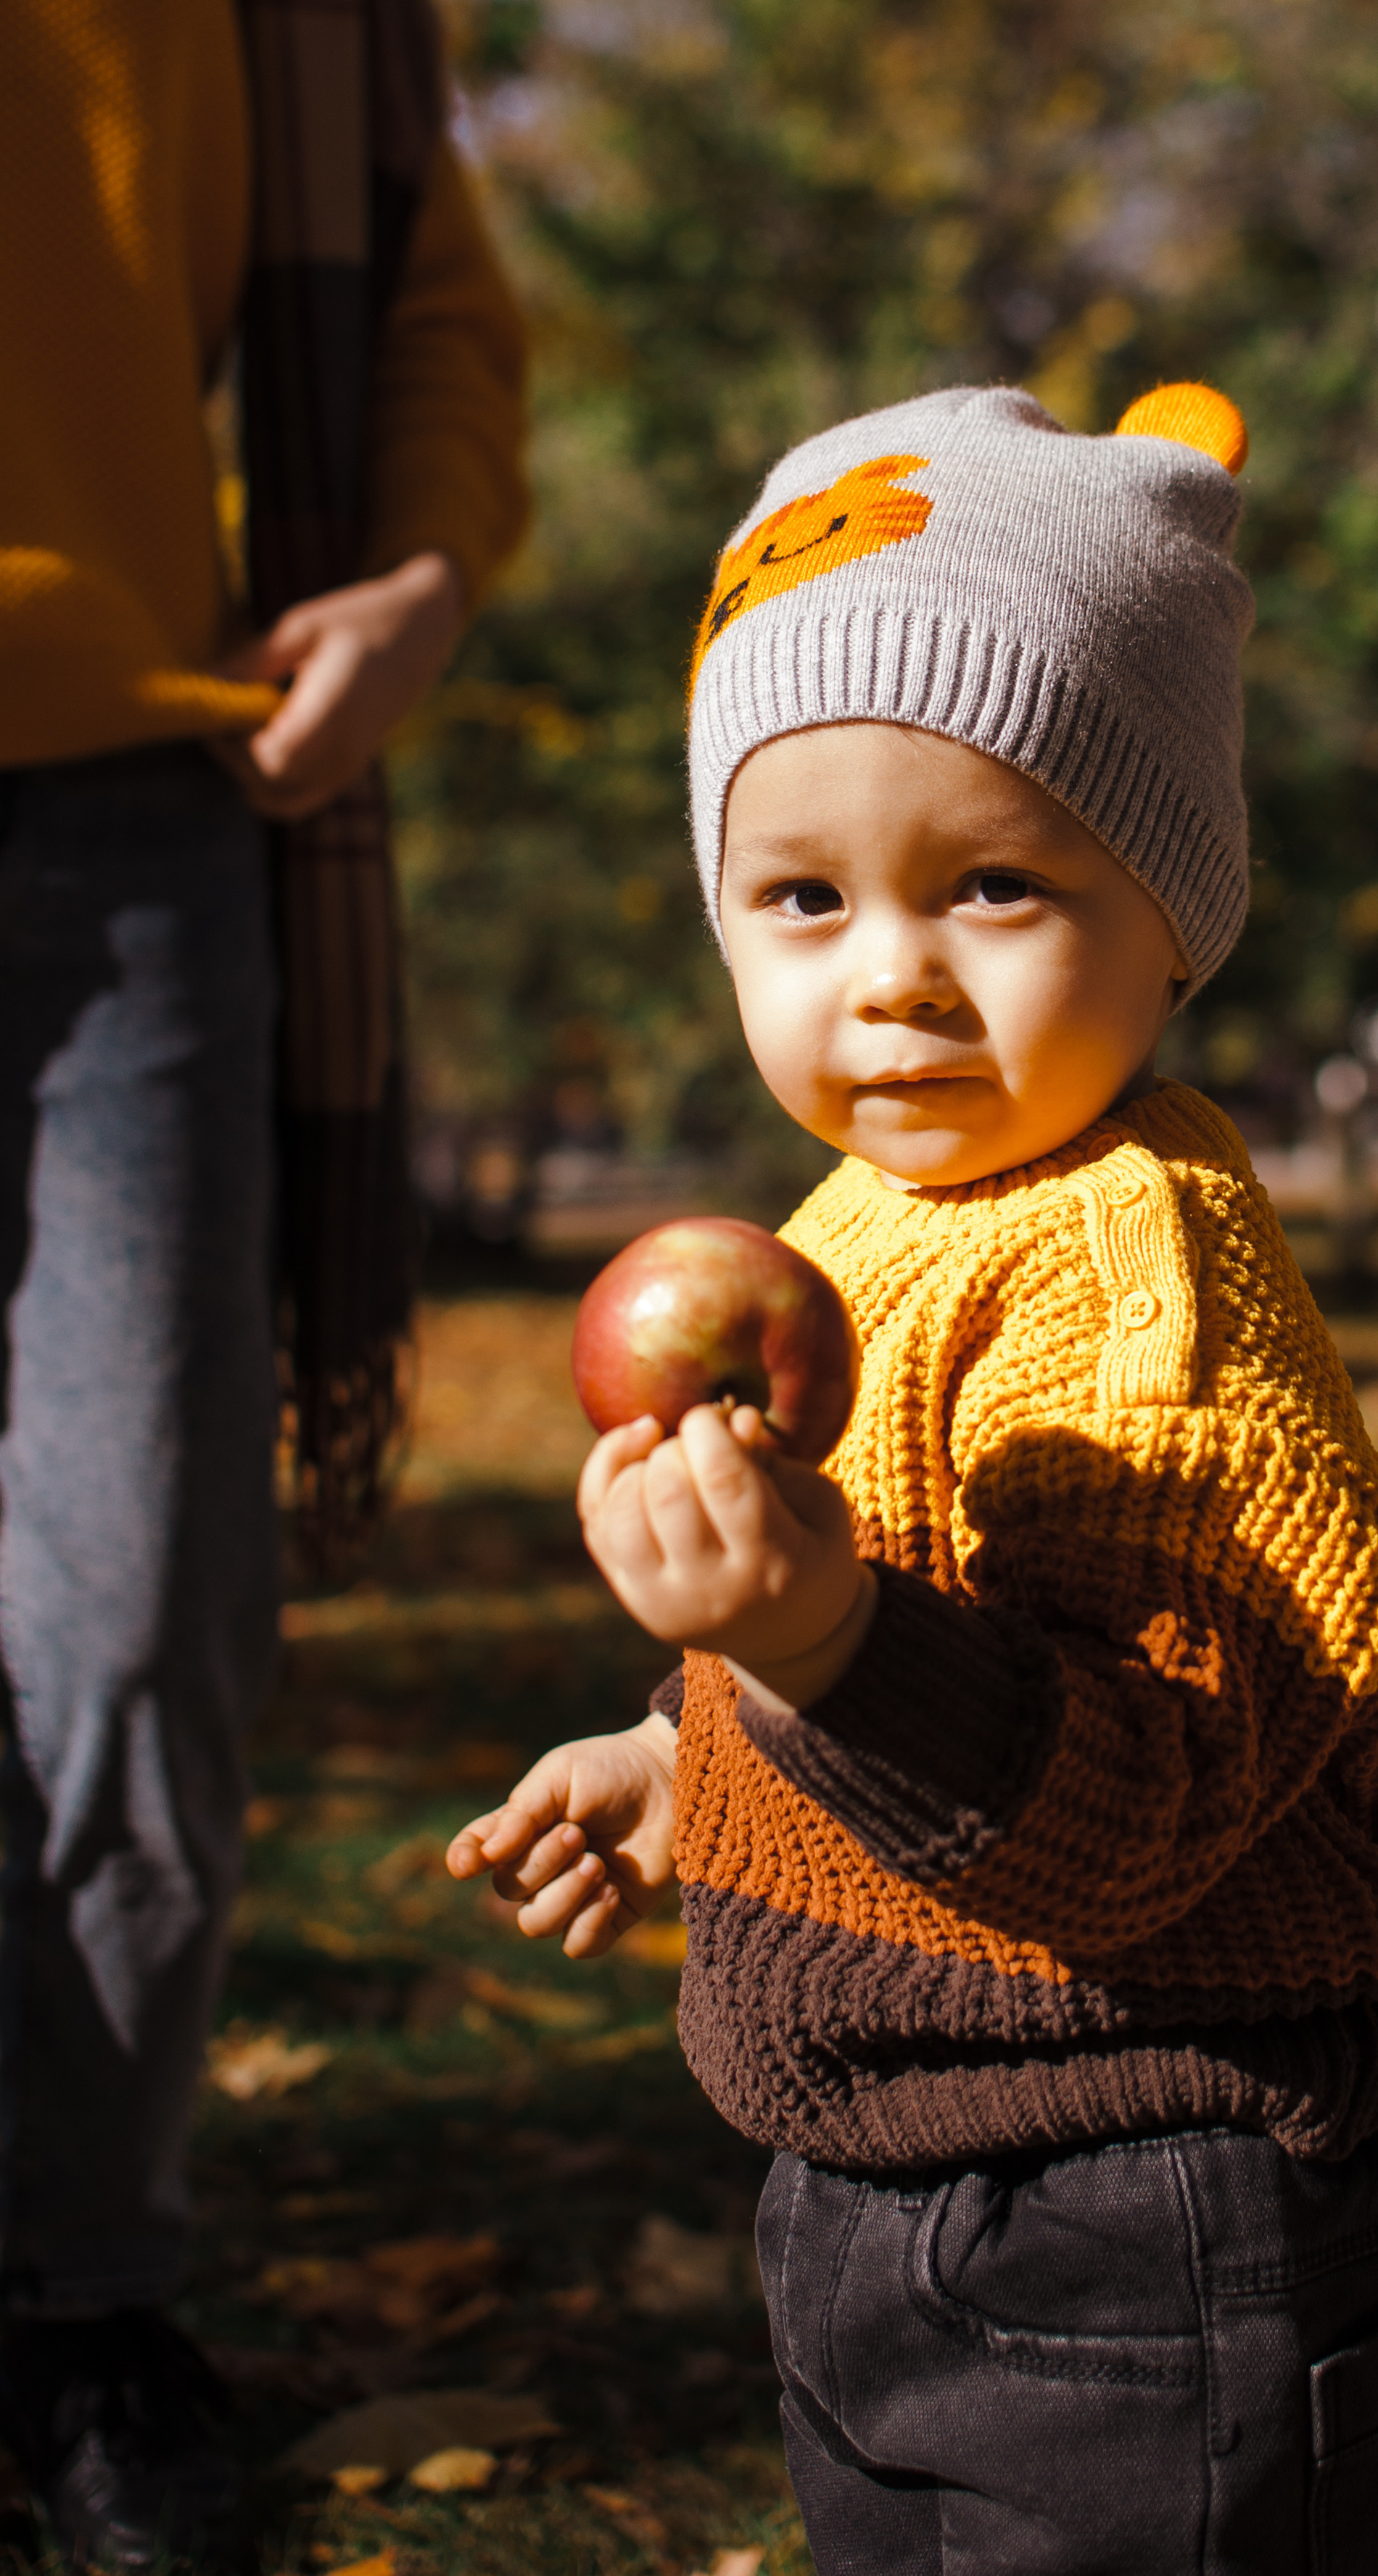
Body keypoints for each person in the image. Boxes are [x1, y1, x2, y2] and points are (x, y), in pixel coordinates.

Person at [447, 381, 1378, 2574]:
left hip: (1148, 2207)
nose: (894, 977)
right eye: (802, 895)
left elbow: (1131, 1794)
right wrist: (697, 1755)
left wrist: (812, 1637)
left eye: (992, 883)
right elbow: (905, 1639)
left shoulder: (1140, 1278)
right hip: (902, 2181)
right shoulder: (859, 1229)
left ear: (1173, 917)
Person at [1, 1, 528, 2564]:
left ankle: (80, 2299)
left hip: (138, 814)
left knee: (141, 1593)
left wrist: (424, 571)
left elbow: (421, 276)